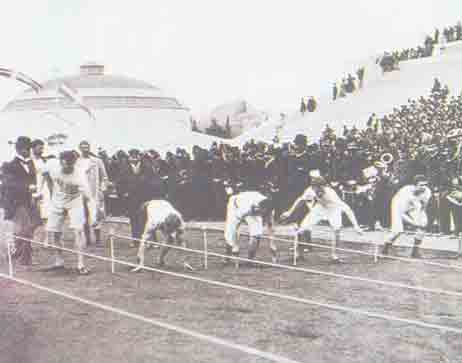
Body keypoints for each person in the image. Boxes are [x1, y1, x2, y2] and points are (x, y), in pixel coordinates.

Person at [281, 176, 363, 262]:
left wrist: (356, 226)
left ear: (323, 186)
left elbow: (348, 210)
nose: (316, 190)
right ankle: (299, 255)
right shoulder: (310, 190)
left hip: (333, 209)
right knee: (302, 229)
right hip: (320, 208)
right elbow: (300, 200)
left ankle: (334, 256)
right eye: (314, 188)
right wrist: (289, 212)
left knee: (337, 230)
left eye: (318, 188)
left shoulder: (331, 194)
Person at [42, 151, 95, 275]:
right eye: (64, 164)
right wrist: (49, 192)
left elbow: (89, 198)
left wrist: (94, 215)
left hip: (75, 201)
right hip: (57, 199)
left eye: (70, 165)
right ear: (60, 162)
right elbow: (45, 175)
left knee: (78, 230)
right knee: (54, 231)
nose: (67, 167)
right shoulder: (52, 165)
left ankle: (80, 264)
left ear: (74, 163)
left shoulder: (80, 176)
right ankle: (59, 261)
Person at [2, 136, 41, 266]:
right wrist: (27, 187)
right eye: (24, 148)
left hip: (30, 201)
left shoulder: (31, 163)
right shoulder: (8, 165)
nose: (27, 150)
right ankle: (25, 259)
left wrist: (35, 194)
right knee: (25, 228)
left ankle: (17, 249)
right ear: (18, 149)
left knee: (32, 226)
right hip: (15, 201)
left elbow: (33, 181)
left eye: (29, 148)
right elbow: (9, 184)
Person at [131, 199, 191, 272]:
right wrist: (141, 263)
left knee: (171, 239)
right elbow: (143, 240)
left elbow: (181, 241)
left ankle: (160, 260)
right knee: (144, 234)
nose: (172, 232)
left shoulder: (179, 220)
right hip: (148, 206)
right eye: (169, 230)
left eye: (172, 230)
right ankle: (140, 260)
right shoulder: (154, 221)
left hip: (164, 205)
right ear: (164, 224)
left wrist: (185, 262)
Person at [381, 175, 432, 258]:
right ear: (415, 185)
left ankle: (415, 251)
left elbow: (423, 207)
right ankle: (385, 248)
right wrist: (414, 223)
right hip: (398, 204)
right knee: (398, 230)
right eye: (421, 185)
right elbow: (402, 213)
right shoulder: (405, 193)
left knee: (423, 223)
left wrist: (421, 219)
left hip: (414, 203)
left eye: (425, 185)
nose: (424, 187)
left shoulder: (427, 191)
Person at [224, 191, 276, 264]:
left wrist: (272, 244)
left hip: (253, 206)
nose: (263, 215)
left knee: (256, 235)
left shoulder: (269, 208)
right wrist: (235, 246)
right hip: (235, 206)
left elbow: (270, 226)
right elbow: (236, 226)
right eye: (260, 212)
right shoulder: (247, 208)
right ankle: (227, 257)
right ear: (258, 208)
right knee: (230, 232)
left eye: (263, 213)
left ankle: (250, 260)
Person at [76, 140, 109, 246]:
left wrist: (102, 190)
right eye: (83, 147)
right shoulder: (77, 162)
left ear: (89, 148)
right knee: (83, 216)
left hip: (94, 192)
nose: (85, 149)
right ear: (80, 149)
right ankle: (88, 239)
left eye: (87, 147)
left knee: (96, 216)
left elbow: (104, 177)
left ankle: (98, 239)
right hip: (81, 193)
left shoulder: (97, 161)